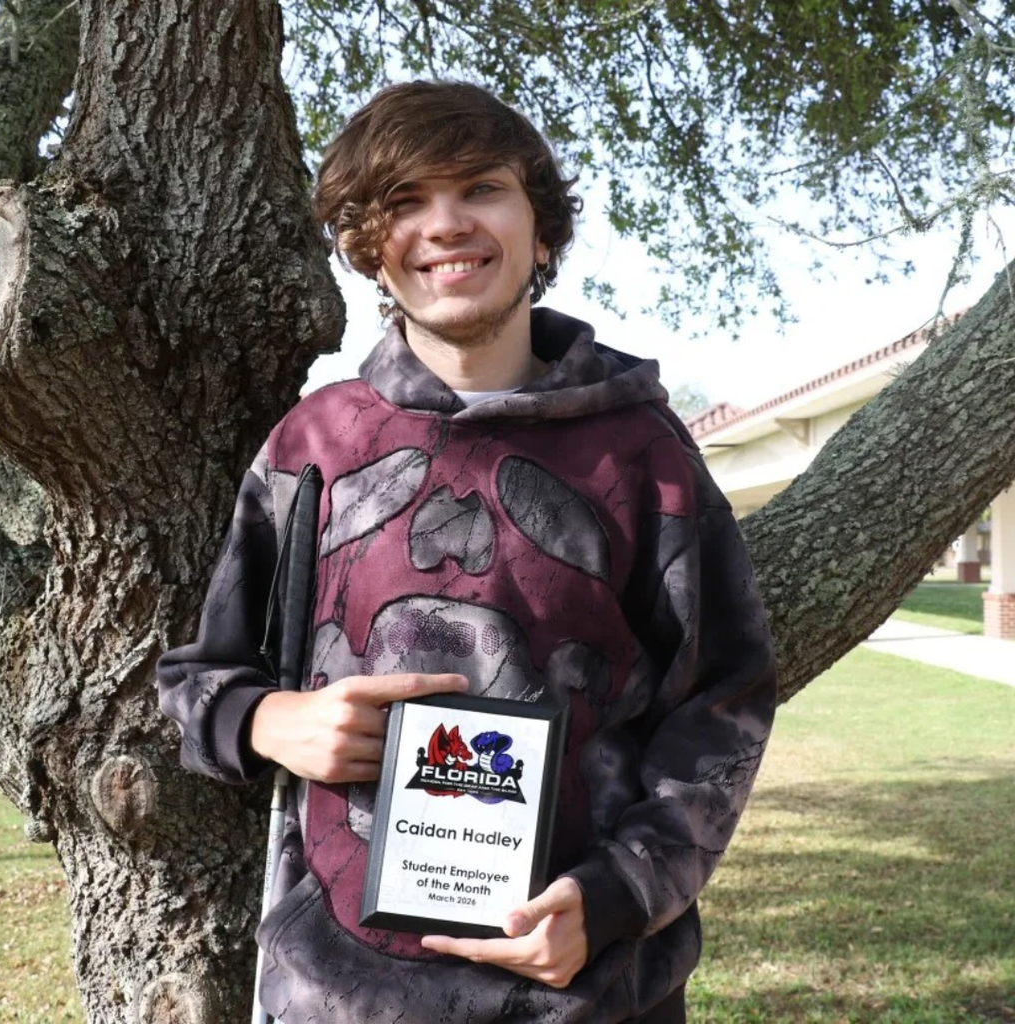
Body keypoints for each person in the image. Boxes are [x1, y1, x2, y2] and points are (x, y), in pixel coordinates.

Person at [157, 80, 776, 1023]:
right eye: (405, 202)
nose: (444, 224)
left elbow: (723, 703)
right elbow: (197, 676)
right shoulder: (311, 447)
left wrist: (614, 896)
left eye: (481, 189)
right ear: (368, 246)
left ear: (541, 230)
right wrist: (266, 721)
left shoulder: (644, 453)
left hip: (589, 991)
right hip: (336, 993)